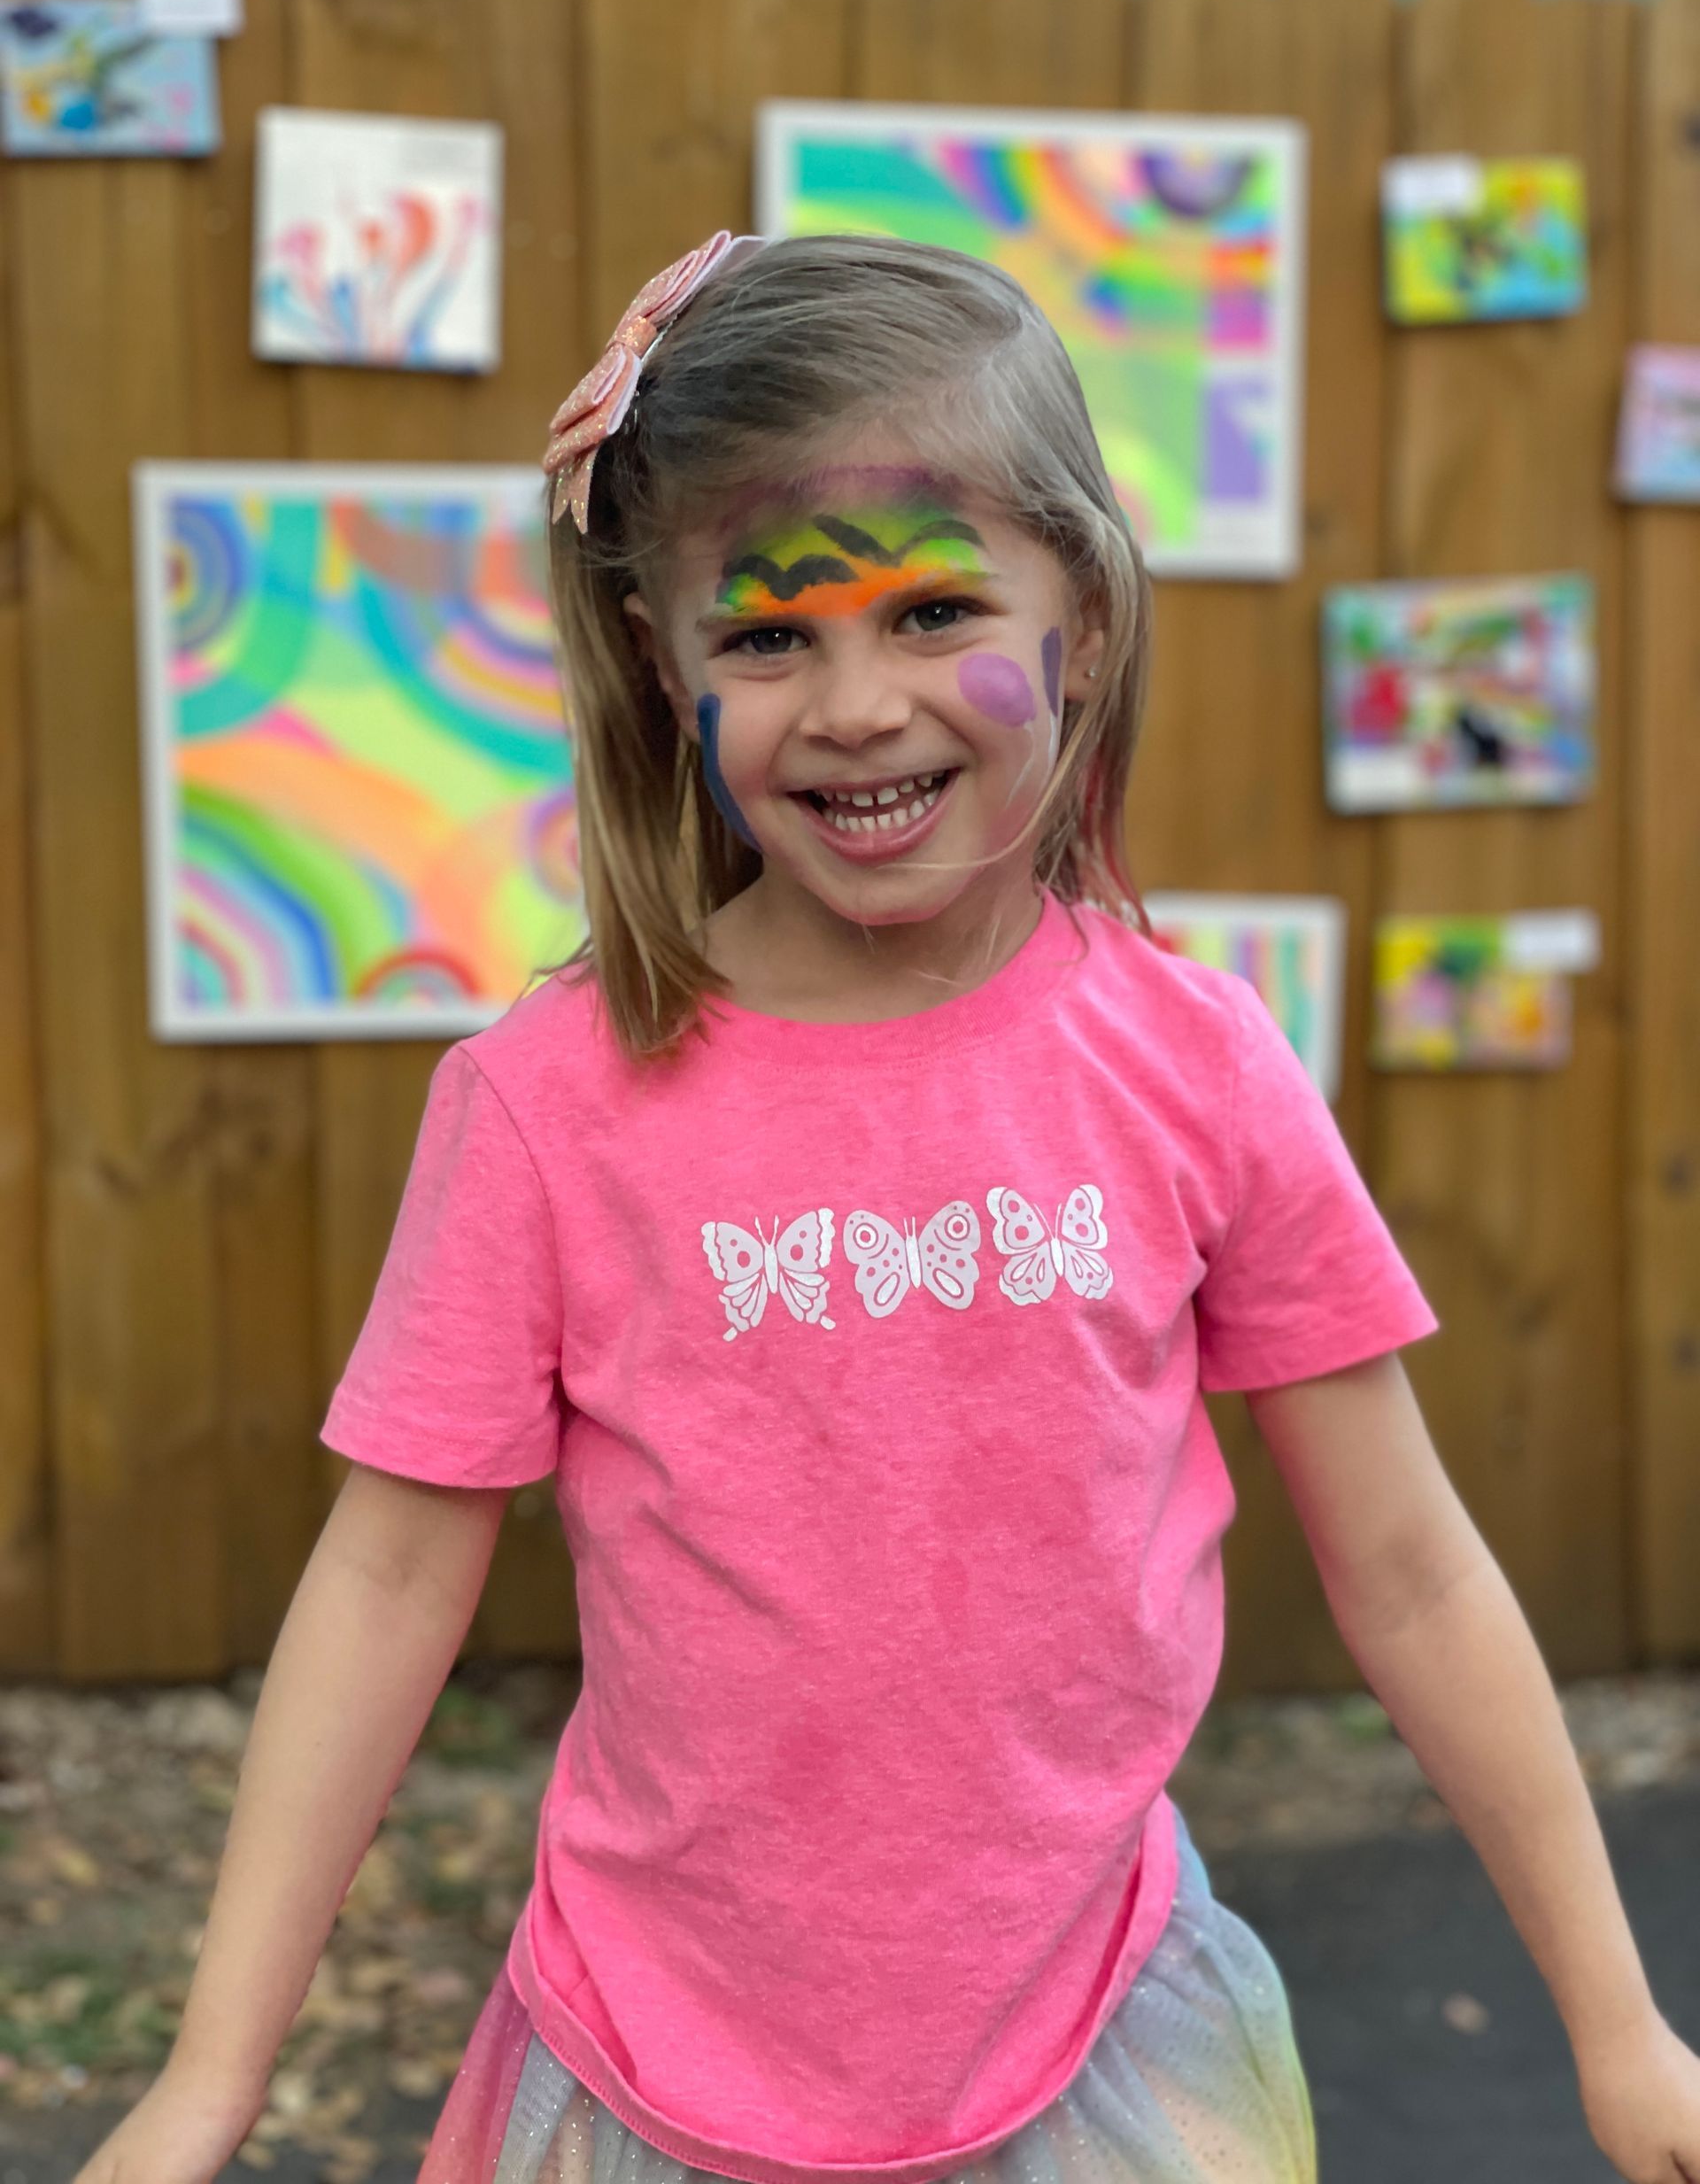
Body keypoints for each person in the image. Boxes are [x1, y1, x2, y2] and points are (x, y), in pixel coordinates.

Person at [76, 233, 1700, 2184]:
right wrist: (208, 2078)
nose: (855, 705)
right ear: (660, 661)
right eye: (768, 636)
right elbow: (386, 1584)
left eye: (934, 609)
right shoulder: (545, 1105)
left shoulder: (1196, 1066)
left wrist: (1621, 2023)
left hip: (1109, 2055)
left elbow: (1414, 1569)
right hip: (649, 2073)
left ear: (1081, 615)